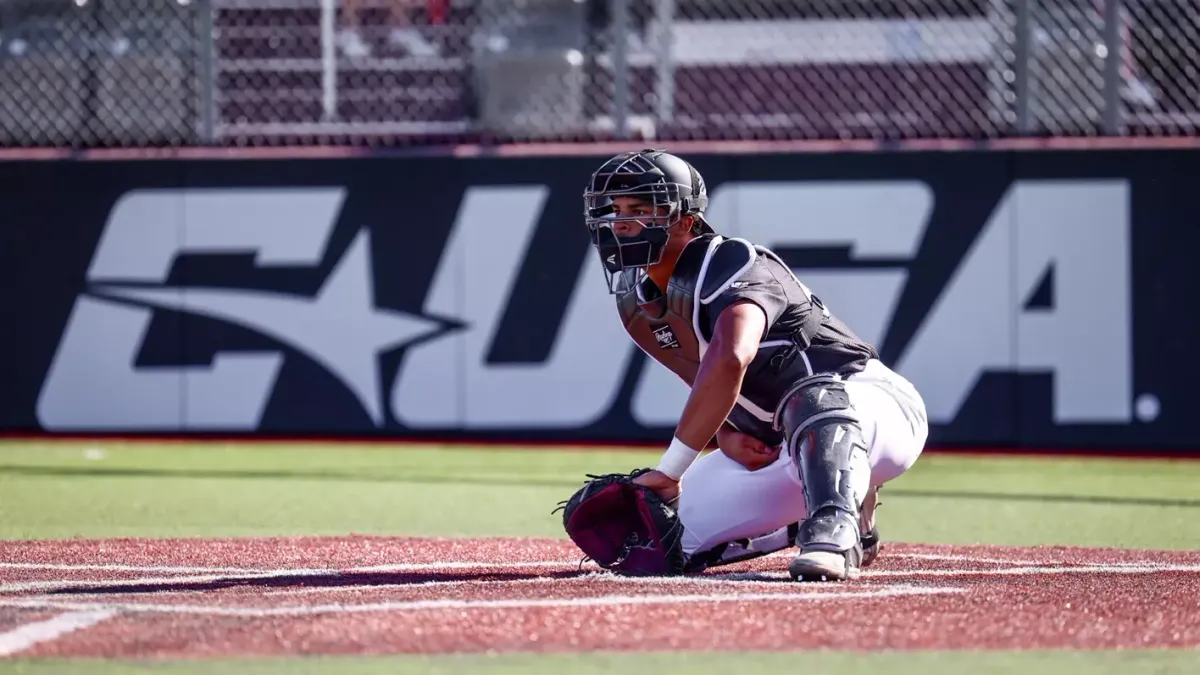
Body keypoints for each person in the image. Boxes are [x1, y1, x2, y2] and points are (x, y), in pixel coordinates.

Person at [582, 149, 929, 581]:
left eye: (638, 210)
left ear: (684, 220)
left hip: (872, 408)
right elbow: (710, 382)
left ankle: (833, 532)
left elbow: (732, 356)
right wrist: (726, 434)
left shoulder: (729, 262)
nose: (621, 223)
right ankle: (826, 516)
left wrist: (671, 470)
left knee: (812, 396)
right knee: (651, 542)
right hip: (783, 445)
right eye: (614, 210)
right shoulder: (636, 303)